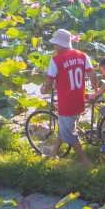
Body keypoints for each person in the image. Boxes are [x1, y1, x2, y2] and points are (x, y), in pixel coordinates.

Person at [40, 28, 92, 169]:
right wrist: (97, 90)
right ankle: (52, 154)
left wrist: (44, 89)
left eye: (55, 44)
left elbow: (49, 83)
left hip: (67, 103)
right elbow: (93, 75)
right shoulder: (83, 56)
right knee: (64, 129)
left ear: (60, 44)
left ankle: (85, 162)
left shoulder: (56, 60)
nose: (54, 47)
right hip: (79, 102)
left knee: (71, 135)